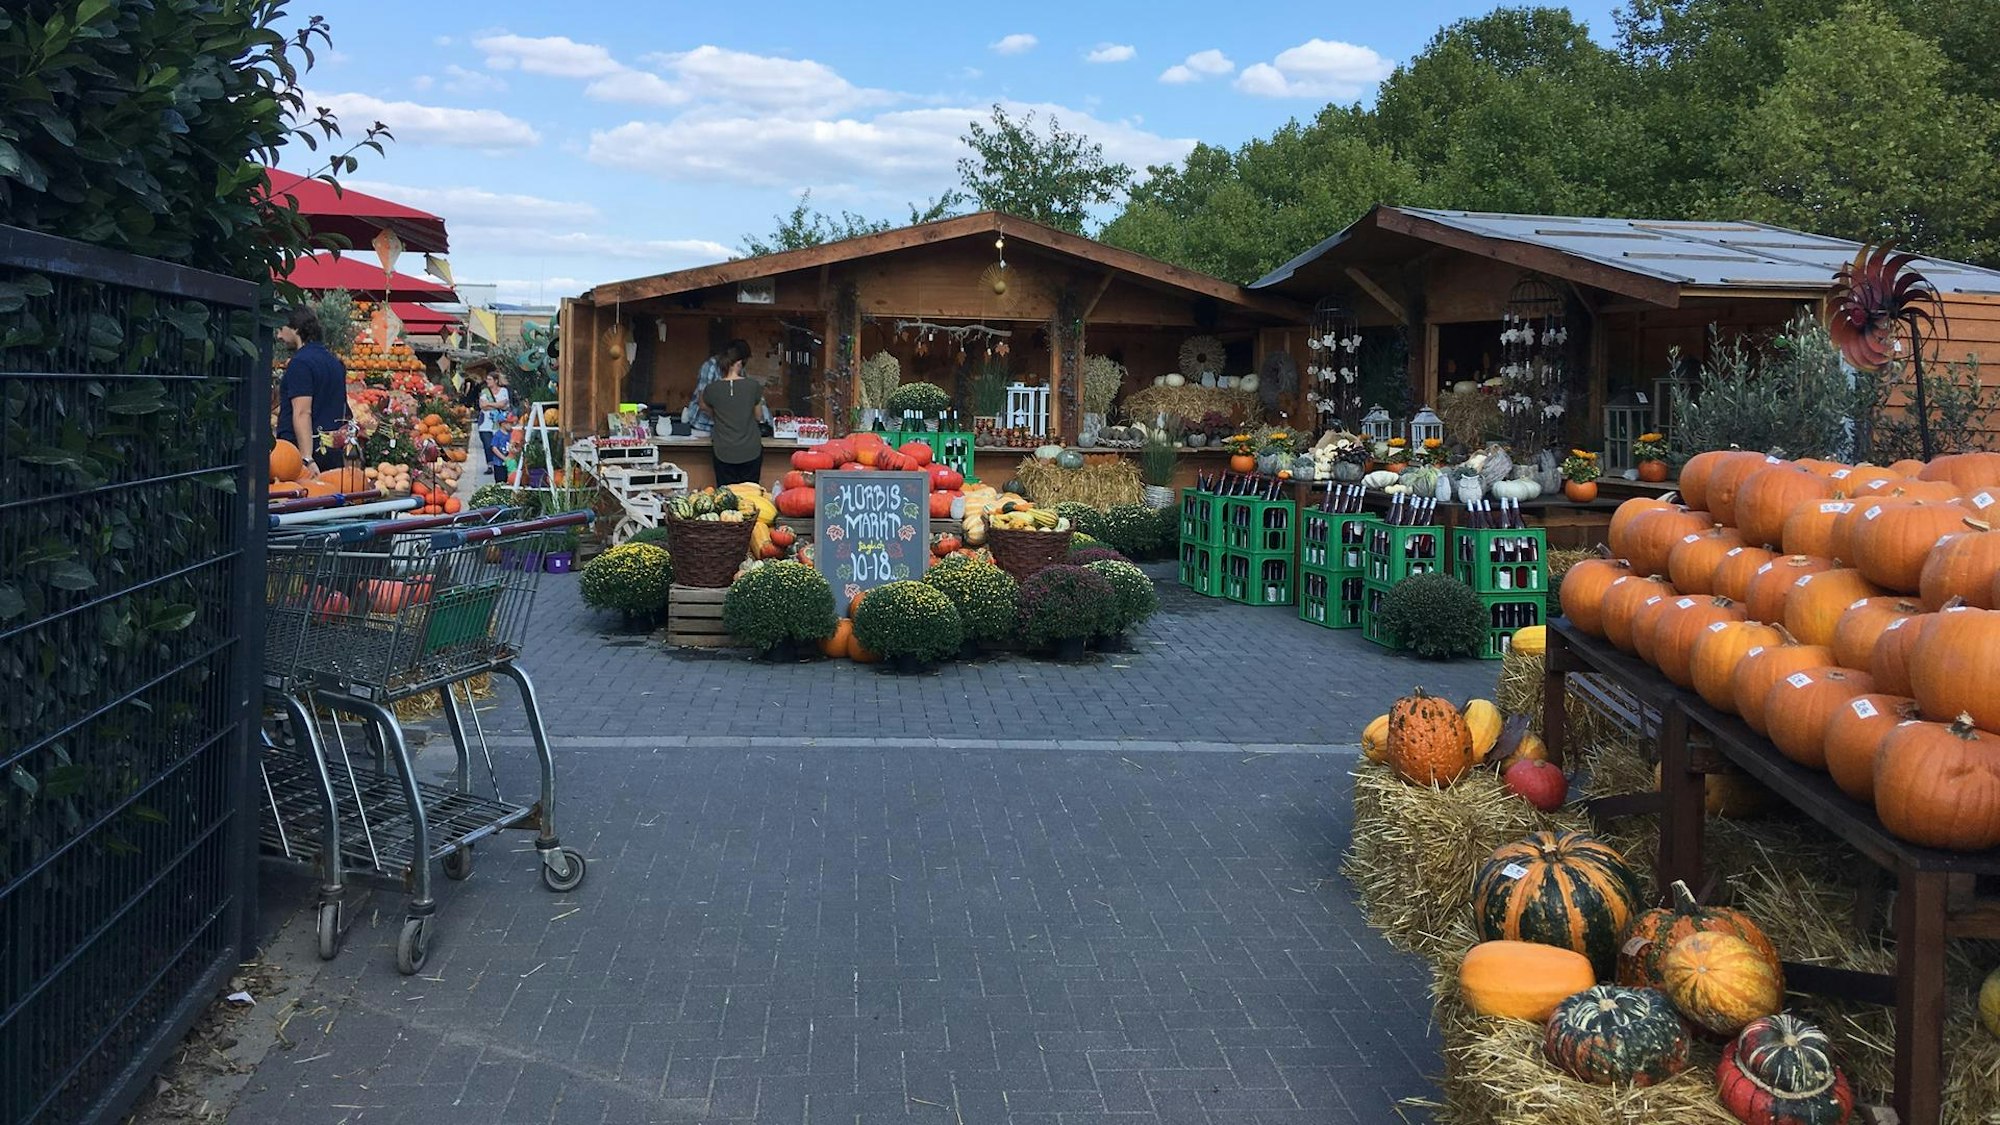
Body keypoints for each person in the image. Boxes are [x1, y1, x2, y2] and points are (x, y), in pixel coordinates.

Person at [274, 306, 349, 477]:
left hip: (302, 453)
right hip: (331, 450)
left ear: (296, 328)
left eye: (280, 329)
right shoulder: (334, 362)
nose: (278, 336)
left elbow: (302, 412)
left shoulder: (300, 363)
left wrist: (306, 458)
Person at [700, 339, 770, 487]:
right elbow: (758, 416)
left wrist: (717, 414)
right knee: (750, 495)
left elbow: (702, 406)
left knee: (726, 497)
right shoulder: (753, 386)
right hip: (750, 450)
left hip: (723, 450)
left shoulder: (711, 389)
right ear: (739, 363)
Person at [477, 368, 513, 479]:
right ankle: (490, 464)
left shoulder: (503, 391)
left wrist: (489, 404)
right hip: (485, 424)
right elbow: (482, 406)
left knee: (500, 444)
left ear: (496, 381)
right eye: (487, 379)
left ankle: (502, 462)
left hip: (500, 423)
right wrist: (496, 404)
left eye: (490, 379)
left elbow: (504, 404)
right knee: (488, 445)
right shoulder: (484, 391)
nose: (487, 381)